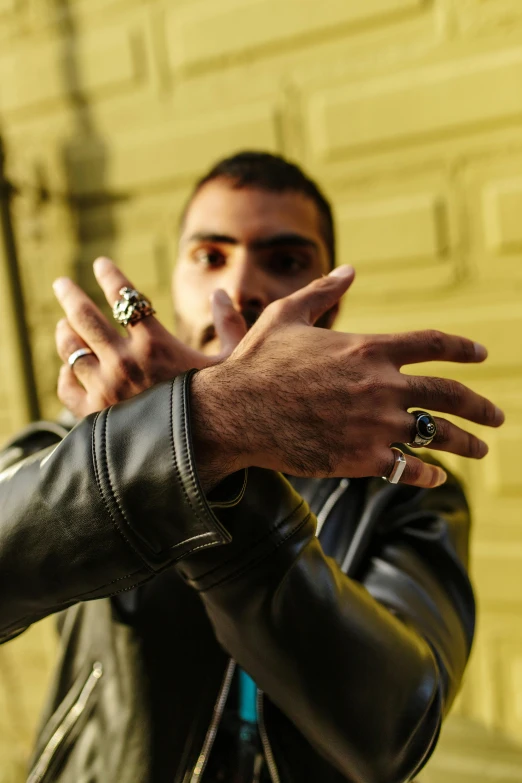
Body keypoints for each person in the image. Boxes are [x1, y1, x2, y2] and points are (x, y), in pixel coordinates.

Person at [0, 152, 504, 783]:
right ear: (173, 281)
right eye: (210, 256)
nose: (241, 286)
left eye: (286, 261)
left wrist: (211, 442)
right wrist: (184, 436)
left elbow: (391, 734)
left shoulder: (400, 493)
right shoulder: (70, 443)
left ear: (329, 307)